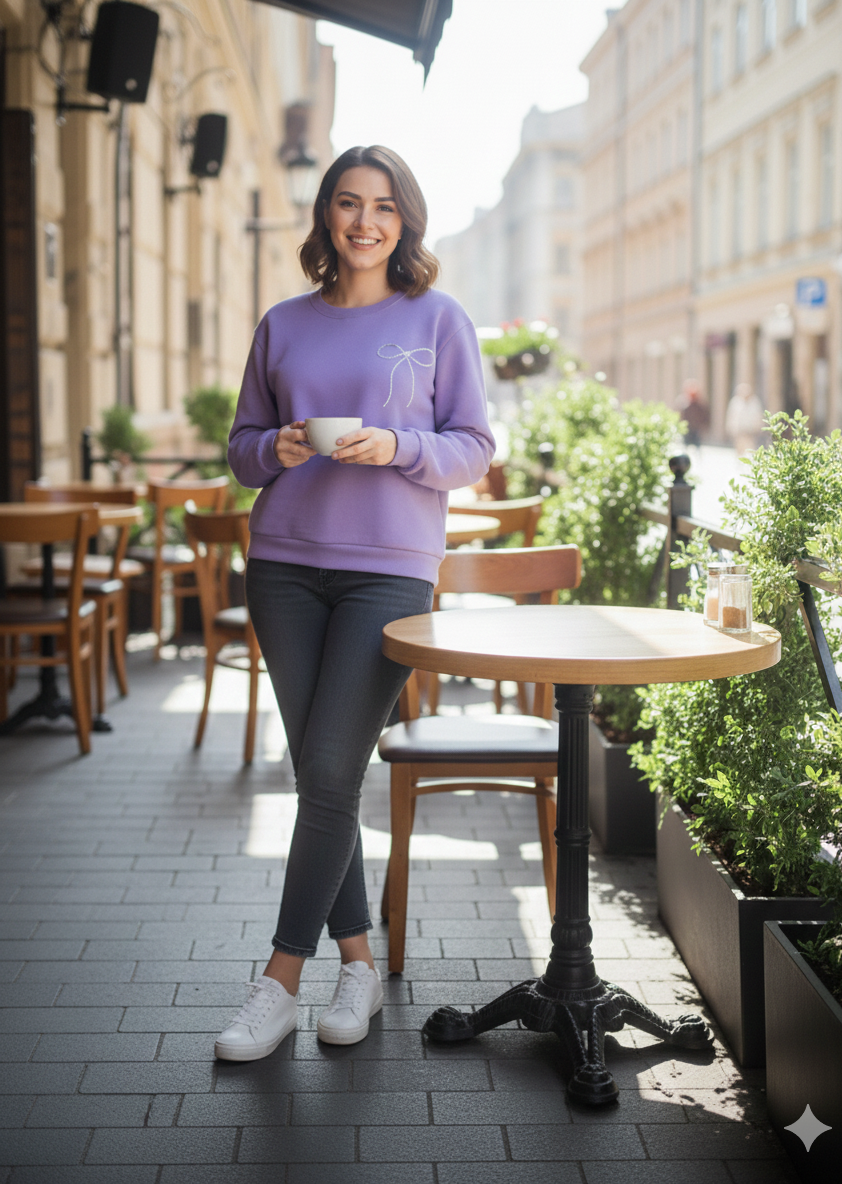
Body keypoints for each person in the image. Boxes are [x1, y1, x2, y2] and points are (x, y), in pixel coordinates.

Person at [214, 145, 495, 1061]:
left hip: (389, 570)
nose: (364, 221)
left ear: (404, 220)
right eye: (347, 202)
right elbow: (241, 447)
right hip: (283, 565)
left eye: (382, 206)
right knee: (323, 779)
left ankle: (278, 981)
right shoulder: (283, 324)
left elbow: (473, 446)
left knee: (331, 768)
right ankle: (361, 966)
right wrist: (279, 449)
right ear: (326, 216)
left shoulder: (438, 318)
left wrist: (400, 447)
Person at [725, 382, 765, 456]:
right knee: (739, 449)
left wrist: (758, 427)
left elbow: (758, 416)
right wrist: (731, 428)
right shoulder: (736, 402)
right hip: (739, 431)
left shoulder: (754, 402)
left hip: (750, 431)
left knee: (750, 449)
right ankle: (740, 461)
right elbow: (732, 416)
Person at [677, 380, 710, 450]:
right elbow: (679, 414)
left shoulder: (700, 404)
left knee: (697, 445)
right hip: (687, 427)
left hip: (696, 428)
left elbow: (705, 414)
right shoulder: (683, 403)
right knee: (686, 445)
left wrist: (704, 424)